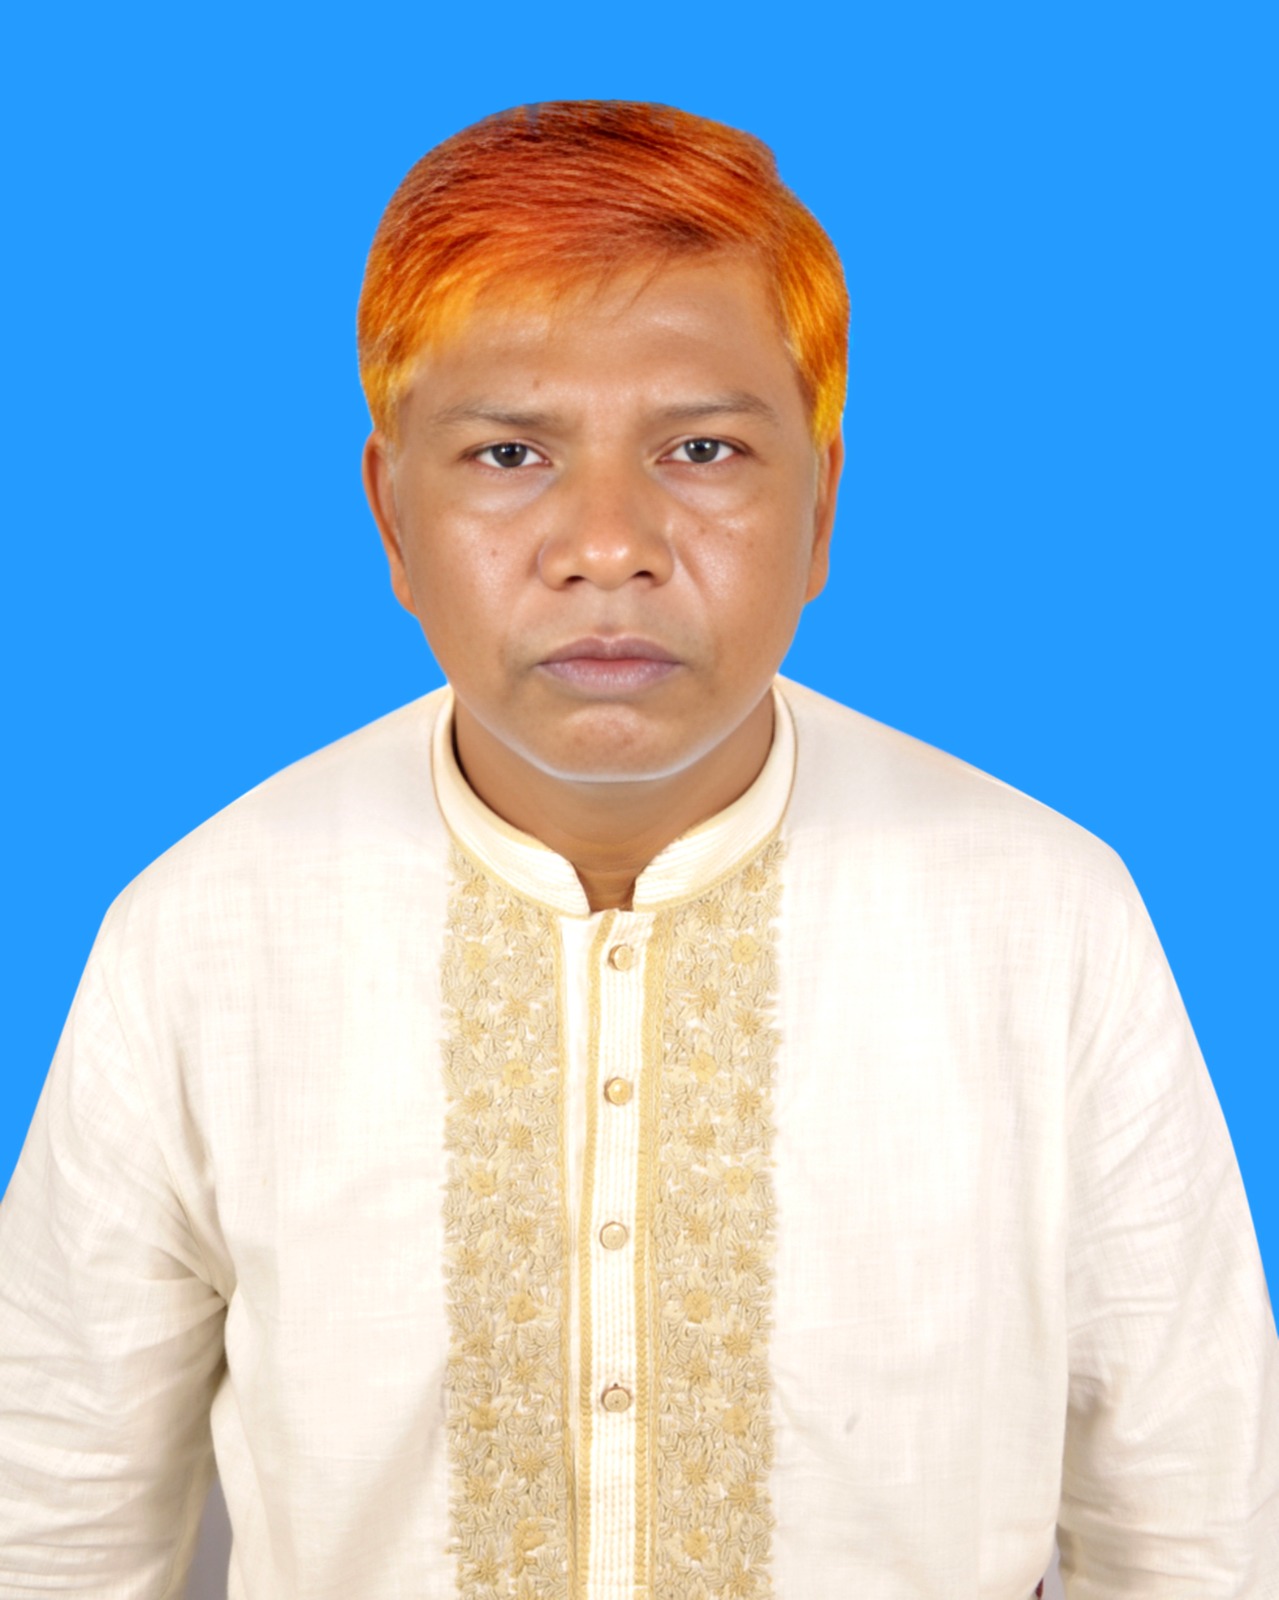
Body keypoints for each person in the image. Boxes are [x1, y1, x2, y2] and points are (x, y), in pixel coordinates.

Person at [0, 100, 1274, 1600]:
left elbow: (1205, 1531)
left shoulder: (1043, 920)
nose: (608, 543)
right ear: (392, 515)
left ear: (822, 505)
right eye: (510, 453)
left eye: (703, 447)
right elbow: (51, 1530)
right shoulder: (204, 934)